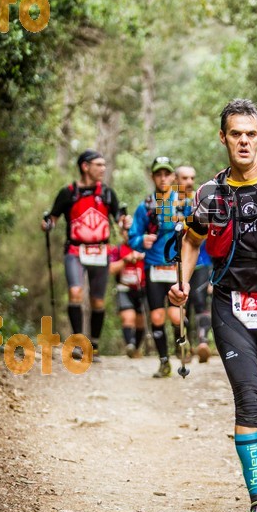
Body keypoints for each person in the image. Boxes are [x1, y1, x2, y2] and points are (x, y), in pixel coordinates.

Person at [169, 99, 257, 512]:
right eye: (235, 134)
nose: (243, 141)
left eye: (250, 134)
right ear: (223, 138)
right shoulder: (209, 195)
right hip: (231, 307)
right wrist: (183, 284)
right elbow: (191, 240)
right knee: (248, 401)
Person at [41, 149, 119, 361]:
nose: (103, 169)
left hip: (101, 252)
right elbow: (53, 218)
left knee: (98, 301)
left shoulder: (108, 193)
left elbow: (119, 216)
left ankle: (93, 344)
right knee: (75, 292)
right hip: (75, 250)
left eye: (104, 165)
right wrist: (48, 224)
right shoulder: (68, 193)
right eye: (98, 165)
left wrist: (125, 222)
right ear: (85, 166)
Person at [129, 157, 182, 378]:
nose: (162, 178)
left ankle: (182, 347)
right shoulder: (145, 207)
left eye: (166, 174)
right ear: (153, 177)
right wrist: (142, 240)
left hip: (175, 267)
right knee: (158, 317)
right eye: (158, 174)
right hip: (153, 267)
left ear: (172, 177)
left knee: (176, 316)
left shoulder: (183, 203)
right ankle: (164, 362)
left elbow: (197, 234)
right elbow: (133, 236)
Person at [175, 164, 212, 363]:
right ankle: (184, 345)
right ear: (175, 180)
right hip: (176, 264)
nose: (189, 182)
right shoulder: (165, 205)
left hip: (202, 261)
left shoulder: (200, 203)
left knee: (200, 302)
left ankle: (203, 342)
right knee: (182, 305)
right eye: (184, 178)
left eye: (192, 178)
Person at [108, 211, 147, 357]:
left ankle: (136, 347)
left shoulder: (144, 246)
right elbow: (111, 269)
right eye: (125, 232)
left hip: (142, 288)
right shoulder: (117, 250)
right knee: (128, 317)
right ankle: (129, 344)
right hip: (124, 288)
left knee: (140, 321)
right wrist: (126, 260)